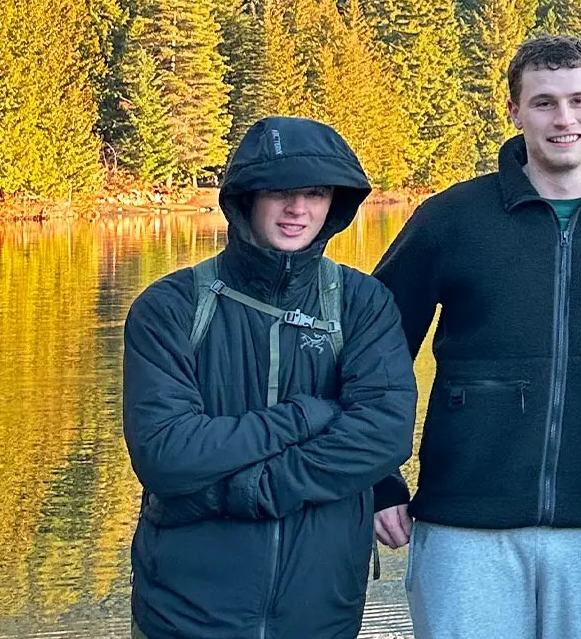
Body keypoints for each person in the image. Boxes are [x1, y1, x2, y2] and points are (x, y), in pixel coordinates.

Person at [371, 35, 581, 639]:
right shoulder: (451, 218)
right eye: (543, 103)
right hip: (465, 524)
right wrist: (377, 475)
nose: (563, 119)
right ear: (514, 112)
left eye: (578, 100)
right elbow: (374, 350)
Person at [123, 116, 417, 639]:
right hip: (185, 612)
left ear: (335, 204)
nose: (297, 209)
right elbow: (166, 454)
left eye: (315, 192)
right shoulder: (170, 307)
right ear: (245, 198)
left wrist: (254, 490)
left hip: (322, 609)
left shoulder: (362, 302)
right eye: (280, 191)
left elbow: (383, 435)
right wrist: (309, 414)